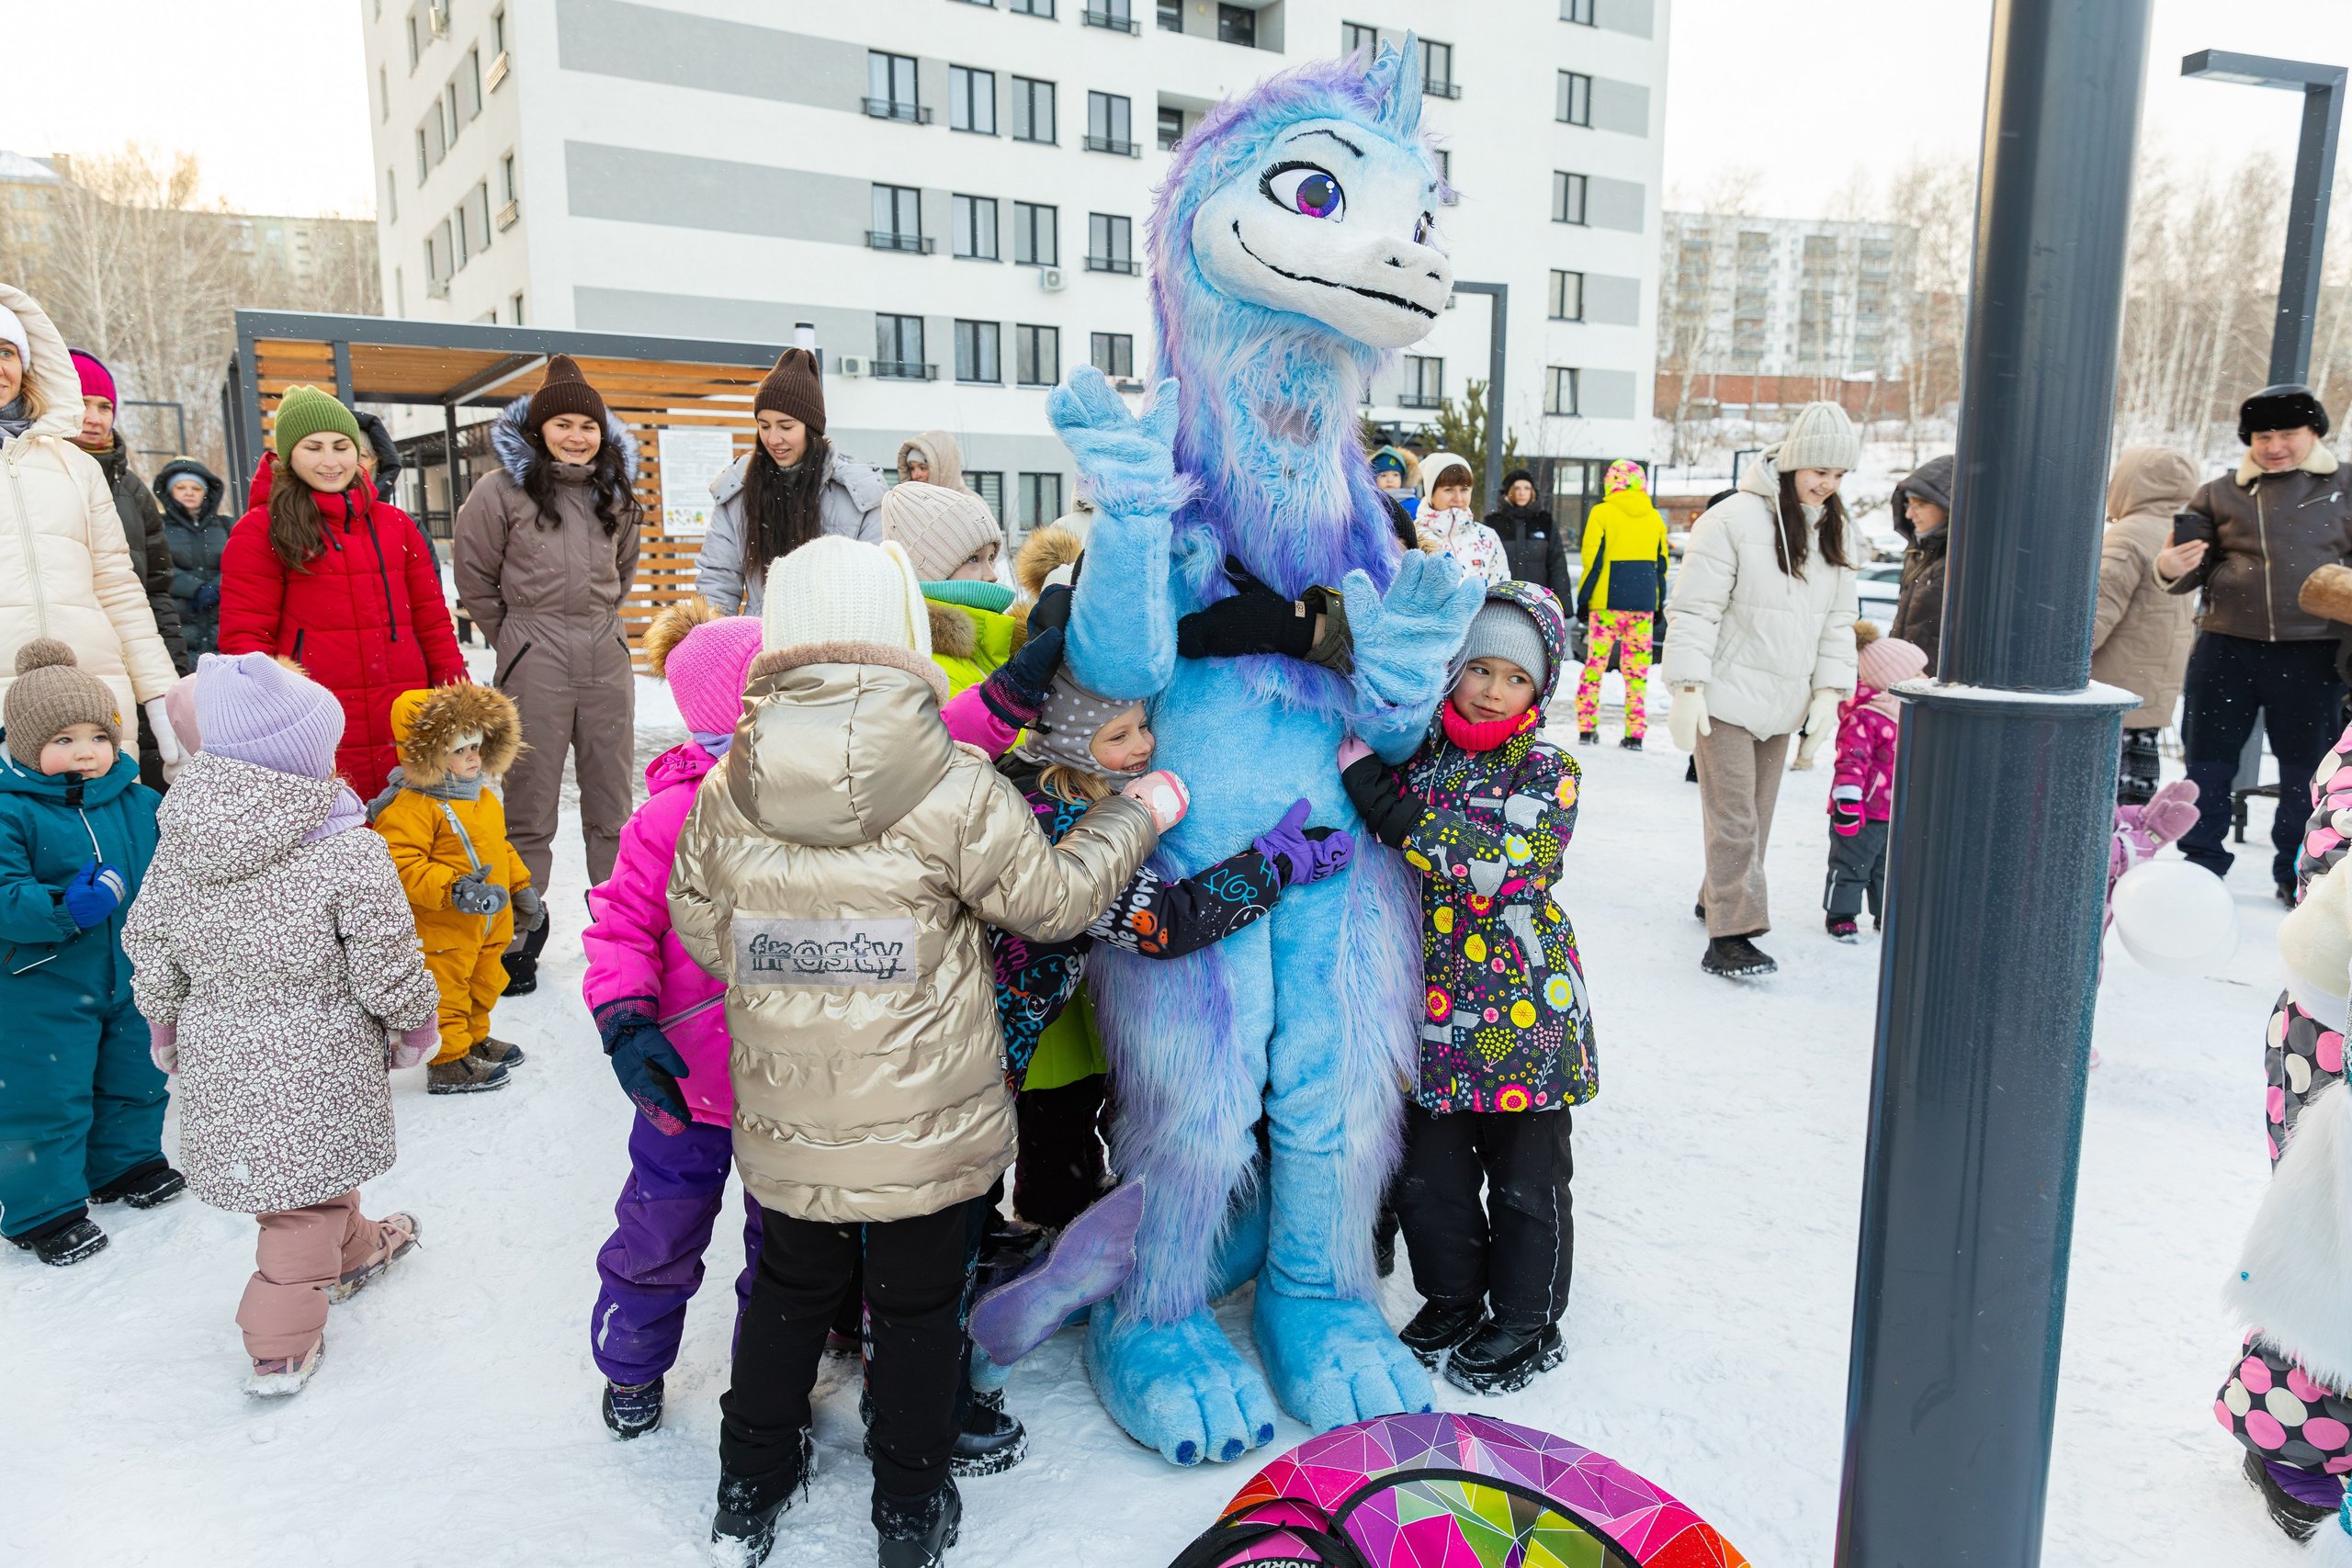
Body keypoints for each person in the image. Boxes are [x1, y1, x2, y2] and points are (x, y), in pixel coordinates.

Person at [670, 536, 1177, 1566]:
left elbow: (698, 924)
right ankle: (909, 1510)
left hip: (791, 1117)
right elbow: (1051, 903)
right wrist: (1133, 813)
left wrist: (805, 958)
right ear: (905, 635)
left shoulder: (730, 784)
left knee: (786, 1296)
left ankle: (747, 1490)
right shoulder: (953, 784)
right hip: (931, 1124)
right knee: (914, 1313)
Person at [122, 651, 441, 1394]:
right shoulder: (347, 849)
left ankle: (356, 1248)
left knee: (305, 1177)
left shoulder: (183, 842)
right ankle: (277, 1339)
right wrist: (413, 1023)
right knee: (295, 1212)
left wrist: (163, 1023)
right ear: (300, 757)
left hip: (222, 1063)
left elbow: (151, 939)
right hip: (319, 1062)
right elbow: (387, 953)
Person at [1337, 581, 1594, 1395]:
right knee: (1430, 1174)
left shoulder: (1548, 769)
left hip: (1526, 1018)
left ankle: (1526, 1315)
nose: (1490, 690)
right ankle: (1452, 1294)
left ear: (1539, 689)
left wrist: (1394, 813)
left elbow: (1502, 865)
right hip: (1429, 1017)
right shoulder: (1424, 753)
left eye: (1513, 677)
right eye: (1477, 668)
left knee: (1527, 1177)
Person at [582, 600, 767, 1441]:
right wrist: (625, 1020)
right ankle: (632, 1365)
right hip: (683, 1082)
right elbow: (620, 926)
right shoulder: (667, 817)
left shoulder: (819, 813)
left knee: (788, 1252)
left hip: (791, 1089)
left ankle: (774, 1374)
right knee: (658, 1231)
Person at [454, 355, 640, 992]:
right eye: (563, 423)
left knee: (613, 805)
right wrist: (515, 637)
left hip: (605, 656)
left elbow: (624, 571)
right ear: (539, 429)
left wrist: (601, 628)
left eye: (587, 425)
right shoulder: (497, 491)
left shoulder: (615, 491)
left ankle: (621, 933)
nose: (577, 436)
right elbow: (474, 577)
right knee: (529, 807)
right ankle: (519, 936)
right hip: (533, 655)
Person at [1663, 401, 1862, 978]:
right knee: (1735, 821)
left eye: (1840, 474)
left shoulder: (1835, 531)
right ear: (1794, 462)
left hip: (1783, 701)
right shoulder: (1730, 521)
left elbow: (1837, 622)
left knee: (1757, 816)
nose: (1828, 484)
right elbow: (1695, 609)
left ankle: (1715, 897)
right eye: (1819, 470)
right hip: (1723, 695)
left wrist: (1828, 694)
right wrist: (1688, 686)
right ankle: (1731, 936)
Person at [0, 639, 175, 1267]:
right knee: (46, 1092)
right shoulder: (11, 812)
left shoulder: (138, 801)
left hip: (128, 973)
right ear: (25, 745)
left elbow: (176, 868)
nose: (85, 750)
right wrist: (62, 909)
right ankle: (41, 1207)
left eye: (98, 735)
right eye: (63, 738)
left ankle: (122, 1163)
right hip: (38, 984)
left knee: (136, 1073)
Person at [215, 385, 466, 797]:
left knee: (413, 843)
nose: (331, 461)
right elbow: (245, 642)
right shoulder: (260, 529)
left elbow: (433, 621)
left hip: (405, 712)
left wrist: (457, 699)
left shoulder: (397, 525)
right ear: (289, 456)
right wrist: (266, 719)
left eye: (341, 446)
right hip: (315, 720)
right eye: (314, 447)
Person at [2155, 385, 2352, 903]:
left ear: (2314, 433)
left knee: (2304, 770)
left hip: (2315, 650)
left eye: (2288, 433)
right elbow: (2186, 571)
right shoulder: (2220, 492)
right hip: (2227, 646)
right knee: (2208, 760)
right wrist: (2169, 568)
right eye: (2263, 435)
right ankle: (2200, 861)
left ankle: (2296, 872)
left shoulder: (2346, 484)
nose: (2274, 445)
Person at [0, 288, 182, 784]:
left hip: (94, 706)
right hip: (4, 714)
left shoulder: (77, 466)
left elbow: (120, 591)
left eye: (6, 351)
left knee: (109, 857)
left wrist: (163, 699)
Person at [368, 684, 542, 1093]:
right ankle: (447, 1060)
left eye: (477, 747)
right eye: (460, 750)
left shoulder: (481, 798)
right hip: (444, 924)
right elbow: (401, 864)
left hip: (487, 921)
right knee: (446, 989)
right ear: (429, 754)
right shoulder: (411, 806)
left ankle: (473, 1038)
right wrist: (454, 889)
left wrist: (519, 886)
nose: (473, 758)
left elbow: (498, 848)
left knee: (485, 981)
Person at [695, 349, 885, 616]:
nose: (773, 439)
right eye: (764, 426)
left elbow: (876, 586)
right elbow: (717, 582)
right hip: (758, 648)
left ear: (811, 429)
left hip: (834, 648)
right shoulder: (738, 491)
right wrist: (713, 644)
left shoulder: (859, 493)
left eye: (786, 427)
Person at [68, 352, 189, 695]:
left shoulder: (133, 490)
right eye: (82, 403)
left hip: (129, 663)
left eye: (104, 407)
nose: (93, 418)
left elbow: (156, 589)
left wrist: (173, 671)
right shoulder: (24, 474)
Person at [2090, 446, 2201, 805]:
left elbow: (2098, 614)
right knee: (2132, 803)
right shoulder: (2180, 537)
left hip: (2112, 689)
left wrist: (2054, 664)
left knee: (2097, 800)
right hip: (2151, 687)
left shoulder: (2126, 537)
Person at [1825, 626, 1927, 942]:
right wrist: (1848, 801)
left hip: (1893, 810)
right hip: (1862, 810)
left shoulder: (1906, 715)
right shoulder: (1865, 716)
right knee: (1852, 863)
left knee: (1887, 867)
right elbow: (1851, 762)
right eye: (1917, 672)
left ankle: (1885, 913)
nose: (1925, 677)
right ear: (1893, 679)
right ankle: (1841, 914)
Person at [881, 480, 1020, 695]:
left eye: (991, 558)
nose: (992, 575)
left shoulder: (990, 644)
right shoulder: (927, 667)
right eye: (973, 559)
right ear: (930, 573)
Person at [1572, 459, 1669, 750]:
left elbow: (1592, 561)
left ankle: (1587, 730)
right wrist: (1658, 603)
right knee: (1637, 673)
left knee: (1595, 666)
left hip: (1606, 604)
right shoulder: (1654, 518)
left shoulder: (1601, 513)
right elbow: (1661, 565)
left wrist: (1584, 600)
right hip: (1642, 606)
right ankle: (1635, 734)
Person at [153, 457, 233, 658]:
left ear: (206, 492)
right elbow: (157, 565)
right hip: (178, 620)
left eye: (196, 488)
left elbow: (242, 562)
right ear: (170, 491)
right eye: (181, 487)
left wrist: (218, 586)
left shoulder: (227, 526)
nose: (189, 492)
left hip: (222, 618)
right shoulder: (157, 527)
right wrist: (194, 588)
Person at [1887, 454, 1954, 670]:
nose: (1909, 514)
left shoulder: (1961, 559)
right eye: (1908, 504)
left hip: (1935, 684)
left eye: (1919, 505)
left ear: (1947, 507)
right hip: (1907, 676)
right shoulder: (1918, 551)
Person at [1414, 452, 1509, 586]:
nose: (1458, 498)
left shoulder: (1488, 537)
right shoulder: (1414, 537)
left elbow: (1503, 590)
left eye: (1464, 489)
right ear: (1431, 493)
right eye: (1449, 489)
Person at [1486, 467, 1557, 592]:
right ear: (1509, 491)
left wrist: (1564, 606)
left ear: (1532, 491)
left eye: (1527, 488)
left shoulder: (1544, 520)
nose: (1522, 493)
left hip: (1538, 597)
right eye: (1517, 488)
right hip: (1503, 598)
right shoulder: (1493, 522)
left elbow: (1557, 564)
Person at [897, 430, 966, 491]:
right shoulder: (909, 504)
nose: (914, 476)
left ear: (943, 469)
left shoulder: (970, 504)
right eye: (912, 468)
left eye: (922, 468)